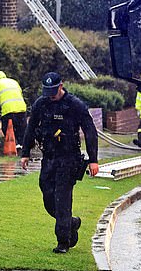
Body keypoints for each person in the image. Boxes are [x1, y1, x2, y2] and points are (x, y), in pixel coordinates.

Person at [20, 72, 99, 254]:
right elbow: (31, 129)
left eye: (53, 92)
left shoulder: (74, 105)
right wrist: (25, 153)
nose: (51, 95)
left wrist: (93, 160)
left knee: (62, 199)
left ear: (61, 86)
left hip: (68, 158)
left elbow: (90, 131)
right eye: (48, 92)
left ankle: (63, 242)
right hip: (49, 158)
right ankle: (71, 222)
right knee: (48, 197)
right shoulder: (41, 103)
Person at [0, 70, 28, 151]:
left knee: (6, 129)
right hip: (22, 109)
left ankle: (15, 145)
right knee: (21, 129)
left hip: (8, 111)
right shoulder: (14, 81)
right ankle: (22, 147)